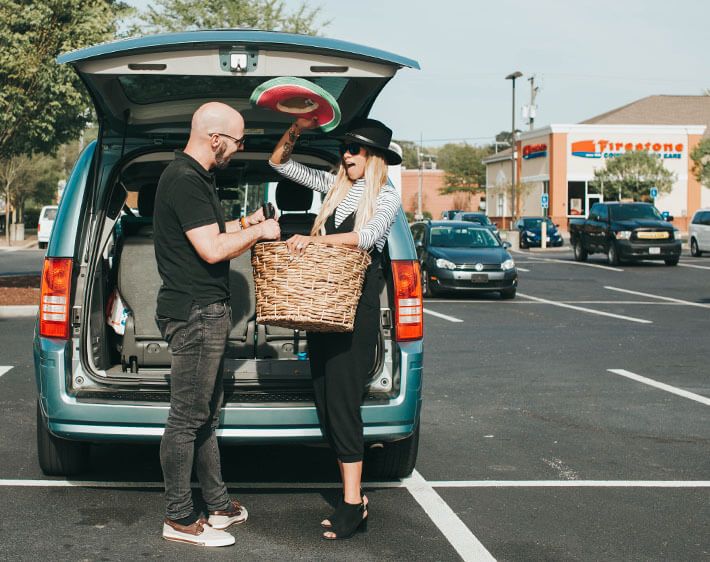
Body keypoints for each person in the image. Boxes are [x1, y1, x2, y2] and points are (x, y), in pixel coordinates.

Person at [153, 102, 281, 547]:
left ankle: (218, 504)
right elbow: (210, 249)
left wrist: (248, 221)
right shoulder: (185, 179)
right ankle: (179, 517)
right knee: (187, 417)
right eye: (238, 140)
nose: (239, 148)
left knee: (204, 412)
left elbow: (210, 229)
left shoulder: (193, 176)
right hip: (195, 313)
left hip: (204, 310)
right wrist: (260, 235)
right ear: (215, 139)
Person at [269, 117, 402, 540]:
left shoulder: (386, 196)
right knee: (325, 401)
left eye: (356, 149)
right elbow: (278, 165)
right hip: (324, 308)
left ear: (375, 157)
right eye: (345, 147)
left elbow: (366, 238)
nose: (346, 155)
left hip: (355, 314)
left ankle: (352, 502)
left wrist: (314, 241)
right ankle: (353, 497)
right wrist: (295, 129)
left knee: (343, 403)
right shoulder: (335, 186)